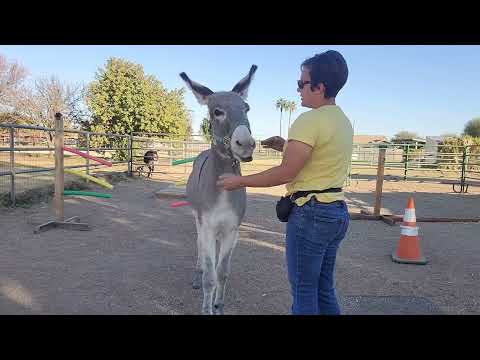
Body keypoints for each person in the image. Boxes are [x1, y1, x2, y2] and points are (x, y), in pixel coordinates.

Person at [217, 50, 353, 315]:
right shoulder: (342, 121)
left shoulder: (309, 120)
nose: (298, 89)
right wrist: (287, 147)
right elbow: (319, 159)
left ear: (319, 86)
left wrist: (239, 180)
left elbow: (285, 173)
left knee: (303, 290)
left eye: (301, 84)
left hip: (311, 213)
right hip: (335, 211)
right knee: (323, 289)